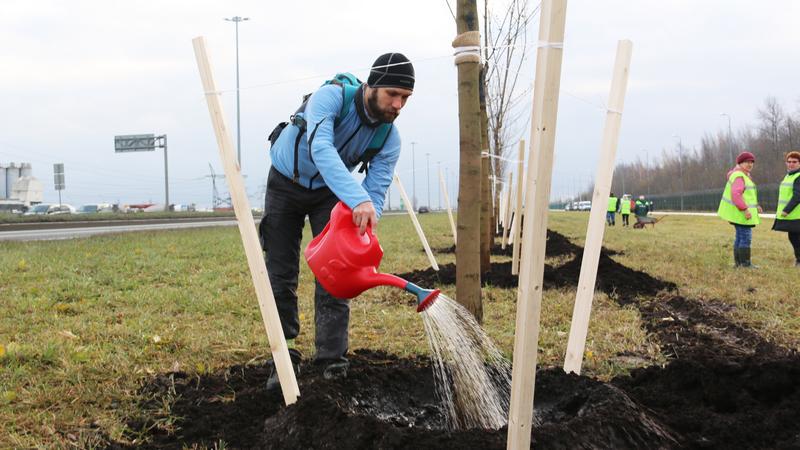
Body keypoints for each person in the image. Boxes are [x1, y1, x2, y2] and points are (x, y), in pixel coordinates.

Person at [259, 53, 414, 389]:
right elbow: (322, 148)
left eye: (405, 98)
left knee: (336, 274)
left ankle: (332, 362)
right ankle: (283, 358)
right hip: (285, 182)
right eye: (393, 94)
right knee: (280, 272)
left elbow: (376, 192)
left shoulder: (389, 138)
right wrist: (356, 198)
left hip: (331, 193)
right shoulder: (330, 97)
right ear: (372, 85)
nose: (399, 105)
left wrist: (364, 240)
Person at [717, 151, 763, 268]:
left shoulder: (743, 175)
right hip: (741, 214)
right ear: (740, 163)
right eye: (747, 162)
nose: (750, 164)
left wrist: (756, 206)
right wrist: (745, 210)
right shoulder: (739, 176)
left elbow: (746, 195)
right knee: (745, 238)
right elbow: (736, 194)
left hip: (738, 214)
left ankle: (738, 263)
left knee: (740, 237)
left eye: (752, 162)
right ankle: (745, 264)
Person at [772, 151, 800, 267]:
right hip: (792, 215)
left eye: (794, 162)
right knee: (793, 237)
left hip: (796, 214)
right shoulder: (789, 176)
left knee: (796, 238)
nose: (791, 164)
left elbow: (798, 195)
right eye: (789, 162)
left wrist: (786, 210)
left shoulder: (798, 177)